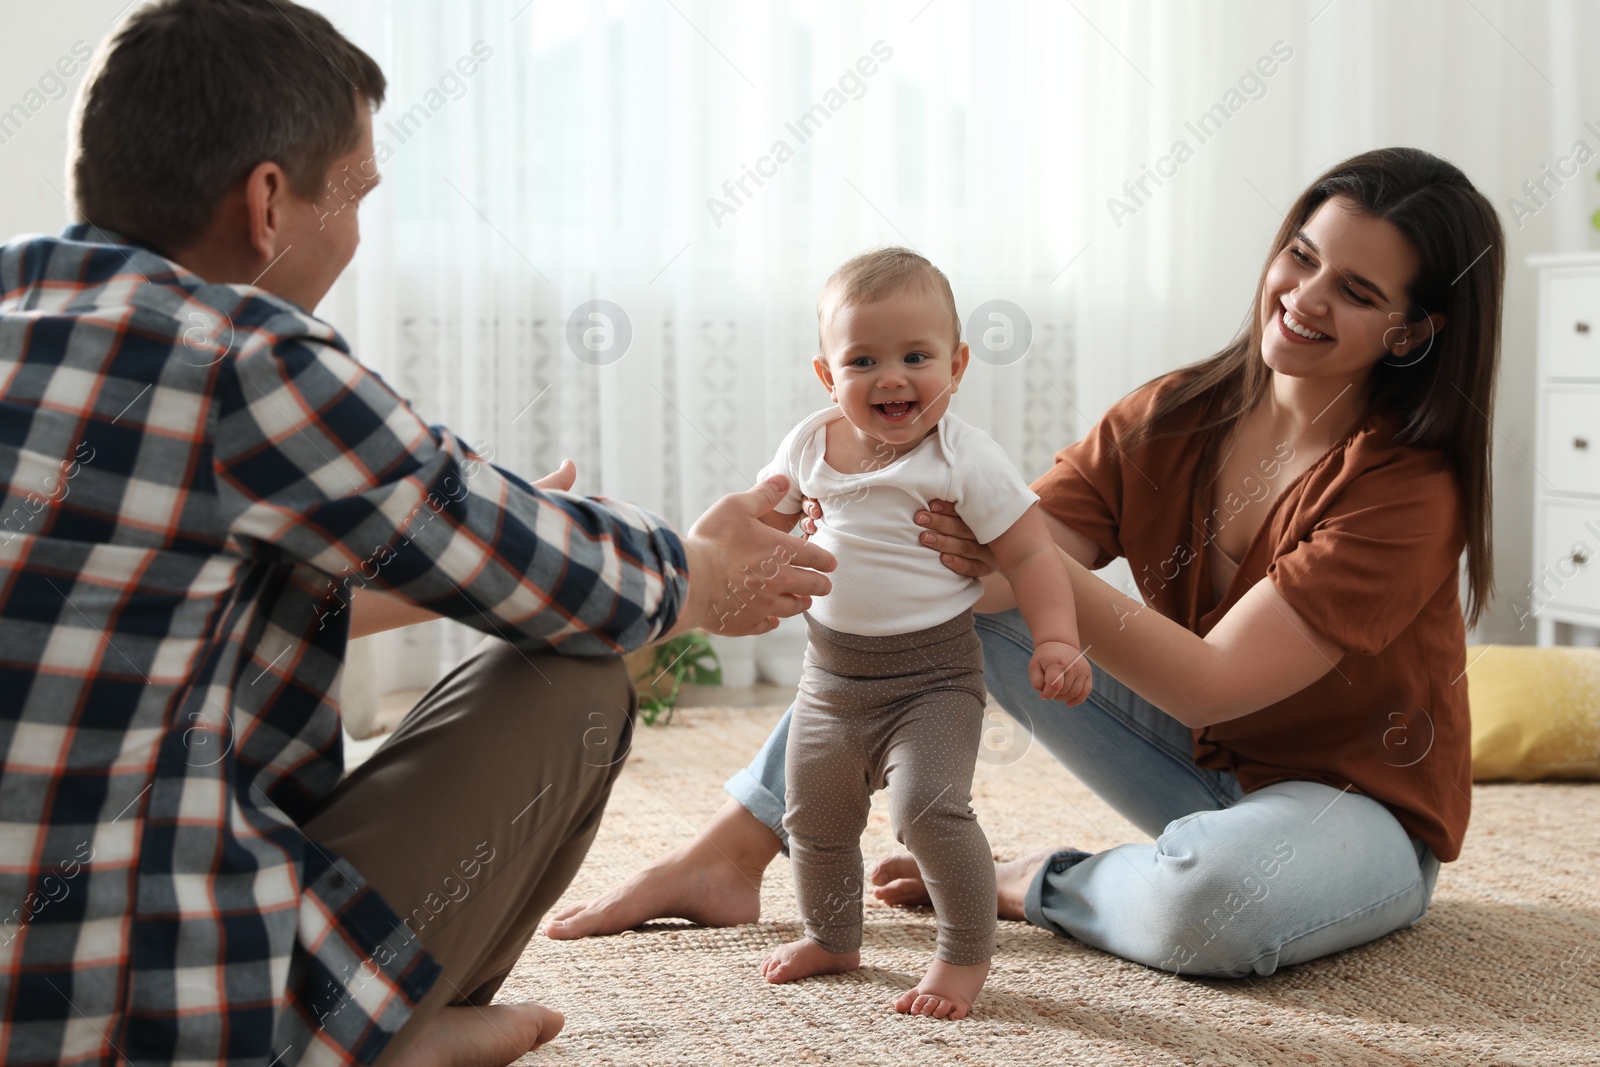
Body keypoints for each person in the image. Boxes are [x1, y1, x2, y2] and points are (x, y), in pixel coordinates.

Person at [0, 3, 833, 1066]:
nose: (356, 232)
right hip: (150, 1013)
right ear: (266, 202)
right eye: (356, 196)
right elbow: (569, 579)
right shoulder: (244, 361)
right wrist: (699, 572)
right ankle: (355, 1036)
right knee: (575, 673)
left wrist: (461, 550)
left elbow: (162, 607)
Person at [548, 147, 1503, 985]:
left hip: (1351, 808)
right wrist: (827, 536)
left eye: (1358, 292)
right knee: (938, 595)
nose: (1304, 296)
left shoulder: (1409, 487)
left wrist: (1025, 557)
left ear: (1409, 332)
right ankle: (731, 851)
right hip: (1189, 767)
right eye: (1302, 254)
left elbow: (1218, 689)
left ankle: (1033, 880)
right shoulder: (1171, 413)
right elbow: (987, 581)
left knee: (1207, 907)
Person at [752, 248, 1089, 1019]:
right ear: (827, 376)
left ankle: (963, 955)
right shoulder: (808, 444)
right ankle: (833, 935)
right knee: (814, 815)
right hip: (829, 681)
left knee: (929, 808)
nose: (892, 377)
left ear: (958, 364)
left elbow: (1033, 550)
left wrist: (1058, 638)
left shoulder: (963, 455)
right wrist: (754, 558)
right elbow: (759, 520)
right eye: (863, 359)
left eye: (916, 356)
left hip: (933, 679)